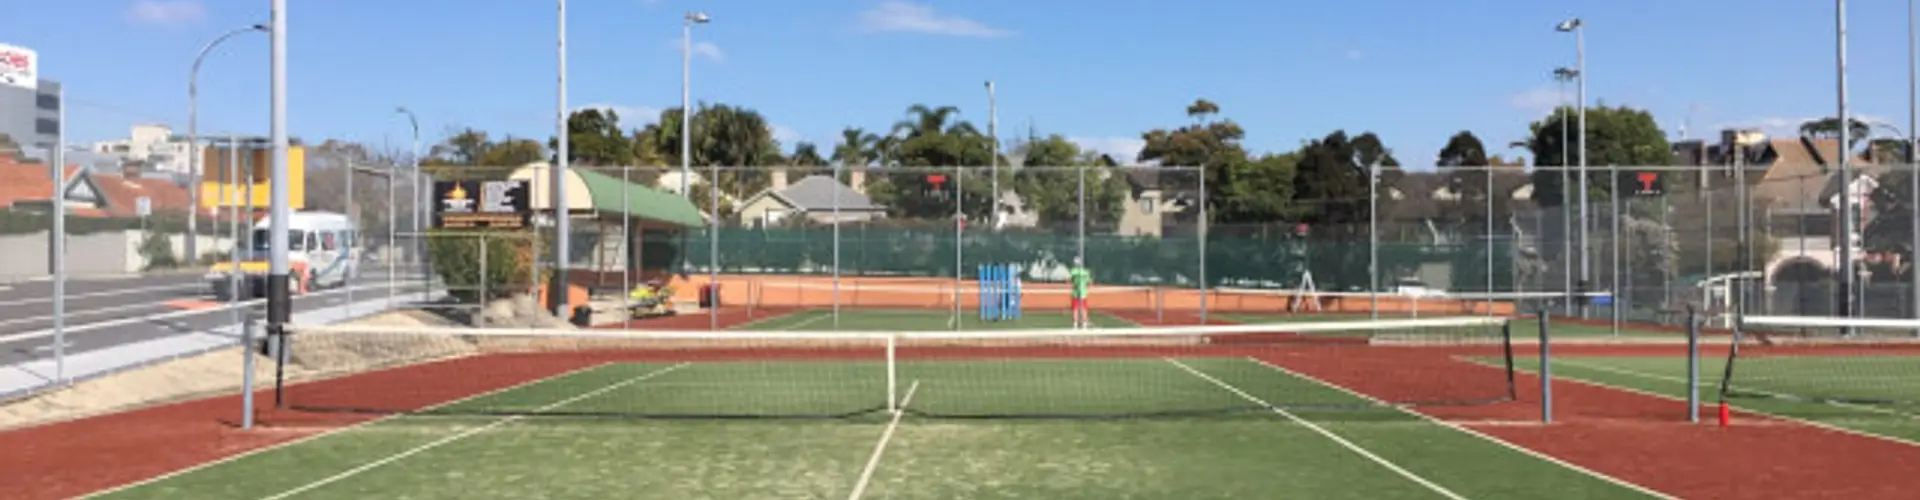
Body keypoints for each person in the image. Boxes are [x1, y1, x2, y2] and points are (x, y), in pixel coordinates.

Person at [1068, 256, 1091, 329]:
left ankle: (1075, 324)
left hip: (1075, 292)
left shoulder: (1073, 271)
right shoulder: (1085, 272)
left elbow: (1069, 280)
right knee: (1083, 308)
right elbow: (1089, 282)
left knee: (1075, 309)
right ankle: (1084, 323)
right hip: (1083, 292)